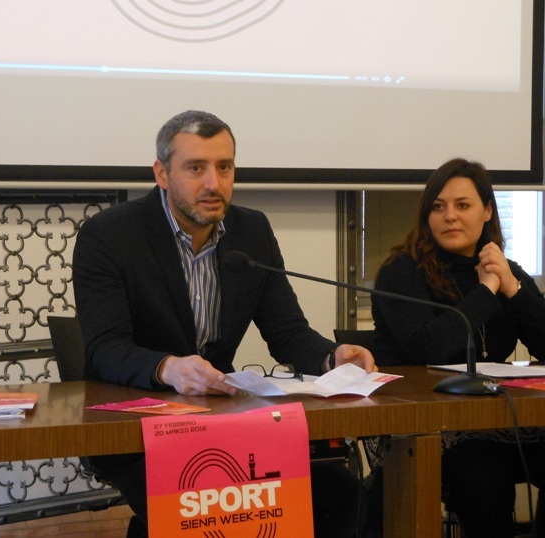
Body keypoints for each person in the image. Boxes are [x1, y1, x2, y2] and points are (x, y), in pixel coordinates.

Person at [73, 110, 376, 538]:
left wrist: (332, 356)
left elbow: (287, 331)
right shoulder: (109, 235)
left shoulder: (251, 231)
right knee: (200, 500)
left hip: (220, 422)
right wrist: (169, 367)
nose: (214, 183)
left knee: (336, 491)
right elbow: (105, 348)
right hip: (138, 425)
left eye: (224, 167)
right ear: (162, 173)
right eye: (196, 168)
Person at [371, 158, 545, 537]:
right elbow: (429, 349)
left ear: (486, 211)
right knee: (484, 478)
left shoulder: (504, 269)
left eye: (462, 205)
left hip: (501, 421)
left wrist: (513, 289)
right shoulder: (402, 272)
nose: (449, 216)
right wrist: (486, 292)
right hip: (434, 427)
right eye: (438, 206)